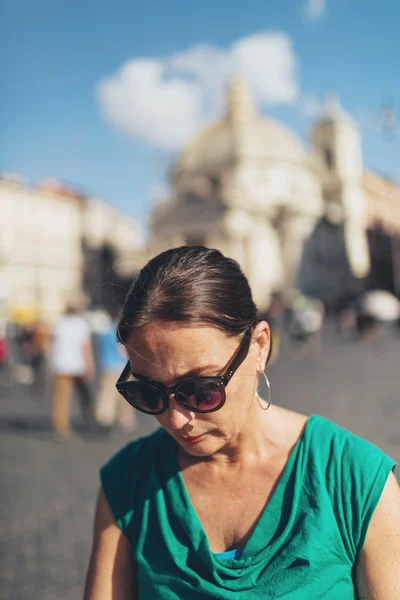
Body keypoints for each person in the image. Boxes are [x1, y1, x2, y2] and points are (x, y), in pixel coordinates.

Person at [84, 246, 400, 600]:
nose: (175, 419)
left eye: (201, 389)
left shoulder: (353, 478)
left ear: (260, 346)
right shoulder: (126, 482)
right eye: (148, 392)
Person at [51, 303, 95, 436]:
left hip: (60, 364)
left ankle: (60, 423)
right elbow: (85, 346)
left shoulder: (60, 322)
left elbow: (53, 343)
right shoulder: (81, 324)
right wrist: (90, 365)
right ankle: (89, 418)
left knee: (61, 397)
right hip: (77, 364)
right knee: (83, 394)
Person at [94, 308, 136, 432]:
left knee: (106, 394)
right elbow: (123, 350)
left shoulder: (105, 332)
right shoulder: (122, 332)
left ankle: (105, 418)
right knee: (125, 395)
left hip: (107, 365)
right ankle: (125, 420)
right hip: (122, 366)